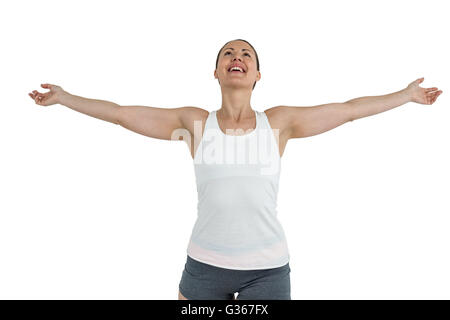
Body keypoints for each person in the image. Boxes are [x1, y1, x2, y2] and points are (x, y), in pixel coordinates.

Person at [28, 39, 442, 300]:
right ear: (217, 71)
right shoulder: (193, 123)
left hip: (268, 270)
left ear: (257, 74)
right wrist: (65, 99)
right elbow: (120, 114)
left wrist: (405, 96)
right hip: (204, 268)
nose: (237, 57)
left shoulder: (279, 123)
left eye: (246, 54)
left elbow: (350, 111)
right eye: (228, 52)